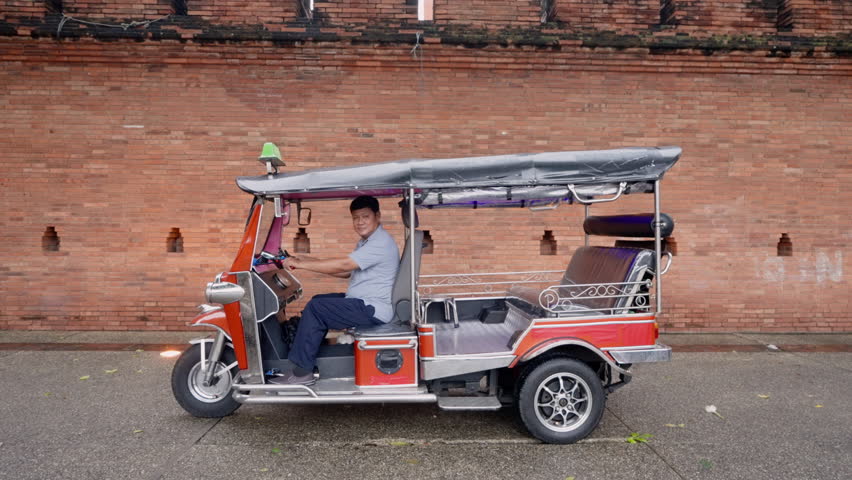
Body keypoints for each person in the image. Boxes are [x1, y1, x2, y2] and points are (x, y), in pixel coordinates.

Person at [271, 195, 400, 385]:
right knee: (319, 300)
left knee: (317, 308)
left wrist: (302, 265)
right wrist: (303, 261)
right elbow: (347, 272)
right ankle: (310, 353)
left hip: (374, 309)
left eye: (365, 217)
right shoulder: (367, 242)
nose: (360, 222)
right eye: (356, 218)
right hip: (365, 302)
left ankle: (301, 372)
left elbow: (344, 264)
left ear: (377, 216)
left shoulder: (379, 242)